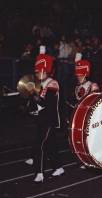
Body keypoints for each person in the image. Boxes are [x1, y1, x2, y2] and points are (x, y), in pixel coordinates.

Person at [29, 45, 65, 182]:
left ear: (46, 71)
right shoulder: (41, 84)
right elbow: (36, 105)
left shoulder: (52, 83)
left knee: (40, 145)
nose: (37, 74)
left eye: (39, 71)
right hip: (41, 119)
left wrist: (34, 93)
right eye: (36, 72)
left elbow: (46, 104)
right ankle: (58, 167)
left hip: (49, 120)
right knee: (50, 145)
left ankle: (39, 172)